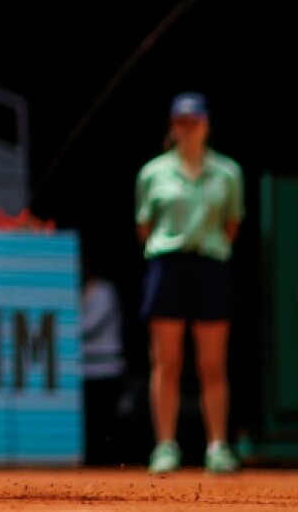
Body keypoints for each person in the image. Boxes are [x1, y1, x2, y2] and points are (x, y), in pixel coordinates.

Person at [136, 92, 243, 474]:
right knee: (166, 362)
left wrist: (204, 249)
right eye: (181, 122)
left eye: (194, 122)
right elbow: (144, 226)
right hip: (168, 266)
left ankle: (218, 446)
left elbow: (231, 224)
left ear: (206, 126)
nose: (188, 129)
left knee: (212, 364)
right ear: (172, 127)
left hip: (210, 266)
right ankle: (165, 446)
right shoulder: (152, 173)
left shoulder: (228, 173)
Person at [82, 257, 128, 466]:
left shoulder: (103, 291)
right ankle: (94, 461)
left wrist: (64, 325)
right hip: (86, 369)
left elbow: (89, 326)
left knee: (106, 420)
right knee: (91, 422)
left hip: (107, 369)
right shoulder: (78, 293)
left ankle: (112, 463)